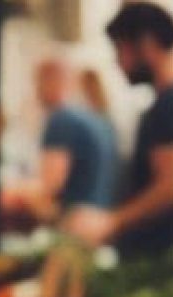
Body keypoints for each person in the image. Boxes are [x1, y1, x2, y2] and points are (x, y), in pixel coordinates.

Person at [70, 1, 173, 255]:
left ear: (147, 44)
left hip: (165, 263)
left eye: (121, 49)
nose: (117, 63)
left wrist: (111, 221)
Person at [29, 54, 119, 223]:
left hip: (73, 228)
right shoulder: (99, 117)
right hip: (100, 223)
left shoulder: (61, 119)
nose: (36, 91)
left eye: (37, 81)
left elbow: (49, 187)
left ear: (51, 79)